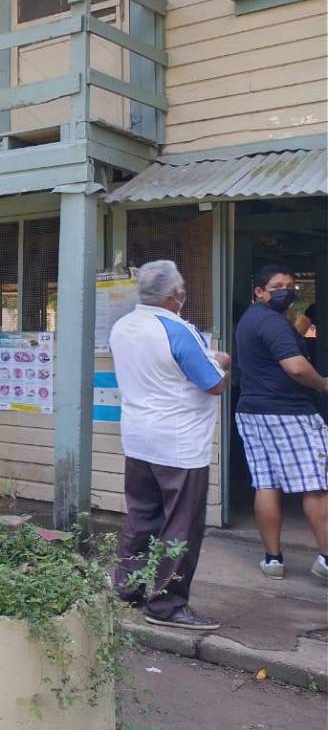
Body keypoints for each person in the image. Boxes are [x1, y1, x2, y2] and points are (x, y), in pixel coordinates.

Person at [109, 260, 230, 631]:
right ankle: (167, 604)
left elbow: (162, 368)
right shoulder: (177, 329)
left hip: (138, 437)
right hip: (179, 444)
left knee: (141, 515)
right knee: (182, 523)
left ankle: (127, 587)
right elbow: (212, 383)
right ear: (174, 295)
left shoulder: (123, 326)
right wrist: (224, 365)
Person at [233, 265, 328, 583]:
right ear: (259, 291)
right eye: (277, 286)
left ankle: (273, 559)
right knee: (316, 487)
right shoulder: (272, 322)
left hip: (252, 411)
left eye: (290, 285)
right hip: (290, 413)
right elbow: (297, 368)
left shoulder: (249, 319)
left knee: (266, 483)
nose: (285, 290)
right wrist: (323, 384)